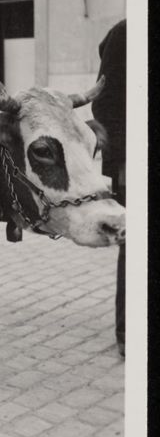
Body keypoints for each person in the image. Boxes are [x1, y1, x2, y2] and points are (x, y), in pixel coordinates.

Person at [91, 19, 126, 358]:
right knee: (136, 246)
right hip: (133, 161)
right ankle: (129, 332)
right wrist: (123, 160)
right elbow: (104, 103)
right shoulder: (126, 32)